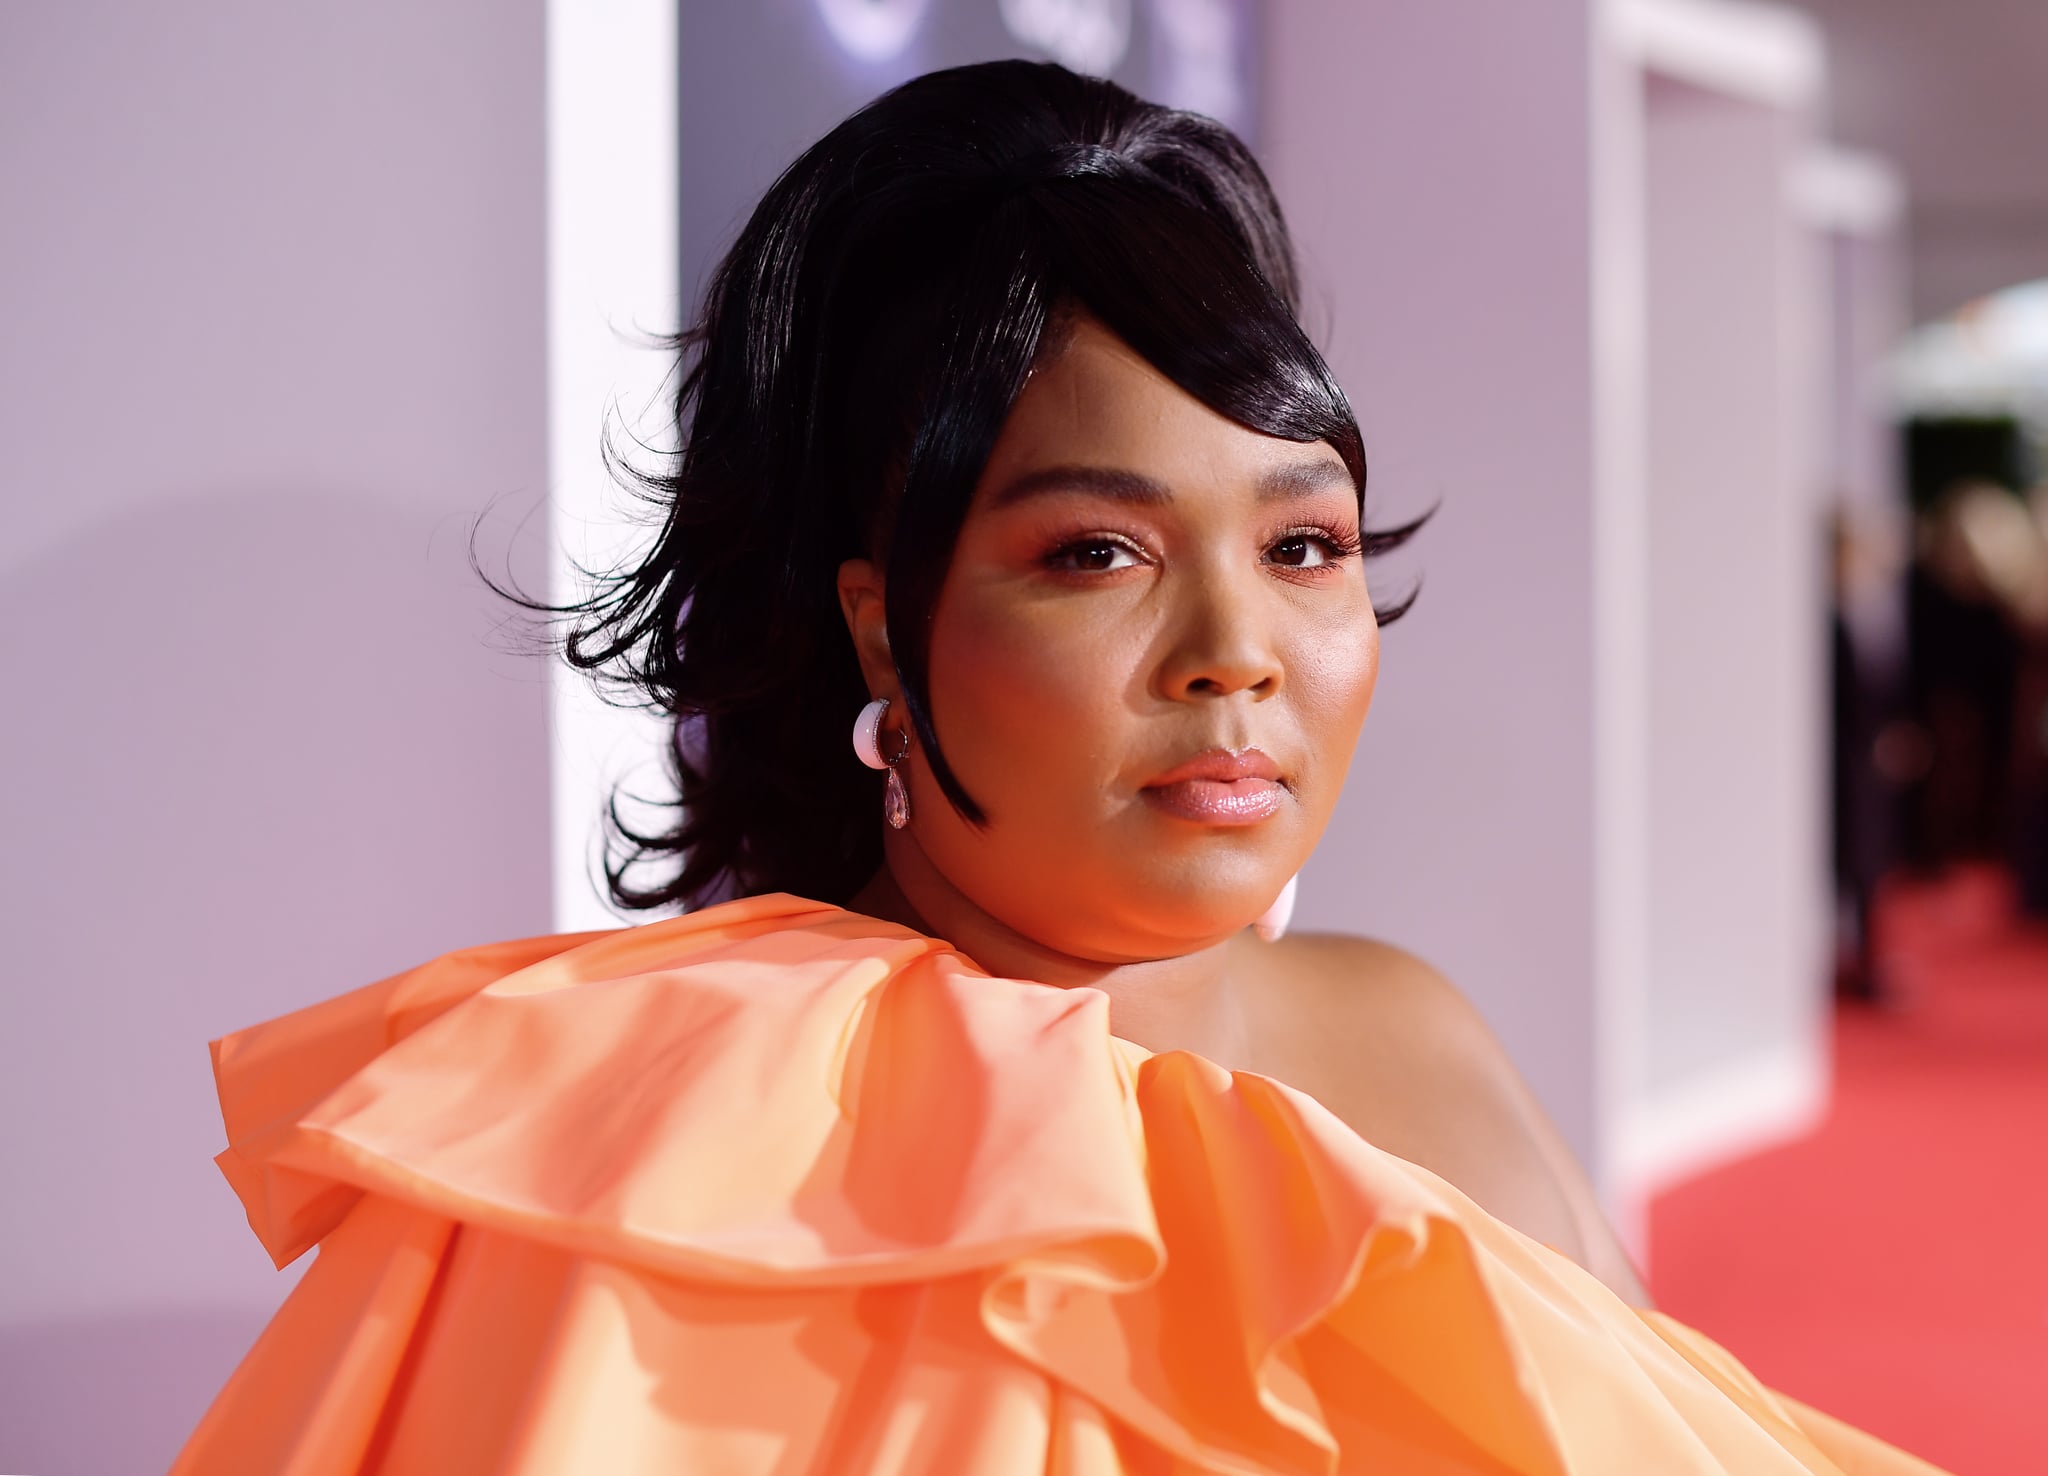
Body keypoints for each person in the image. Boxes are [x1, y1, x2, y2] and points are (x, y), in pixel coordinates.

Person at [173, 60, 1946, 1475]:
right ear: (882, 628)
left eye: (1306, 547)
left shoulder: (1404, 1037)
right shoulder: (666, 1137)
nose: (1235, 651)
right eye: (1098, 551)